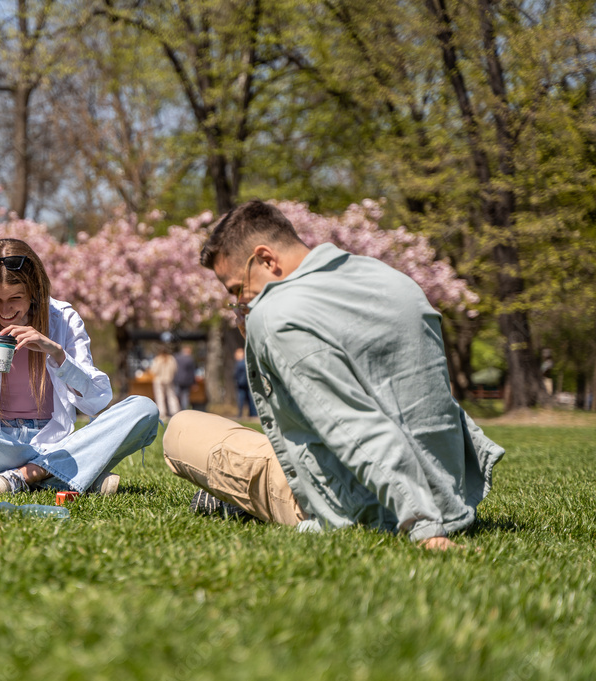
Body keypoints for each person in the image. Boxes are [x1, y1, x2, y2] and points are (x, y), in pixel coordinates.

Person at [163, 200, 505, 550]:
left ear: (267, 260)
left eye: (237, 289)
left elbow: (355, 426)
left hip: (369, 509)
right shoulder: (392, 279)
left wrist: (425, 526)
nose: (239, 302)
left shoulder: (277, 314)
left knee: (182, 428)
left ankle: (237, 499)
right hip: (450, 491)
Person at [0, 238, 159, 495]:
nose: (5, 310)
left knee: (144, 409)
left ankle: (24, 475)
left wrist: (57, 354)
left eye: (16, 298)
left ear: (34, 291)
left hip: (55, 441)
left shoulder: (63, 319)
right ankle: (62, 474)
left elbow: (96, 401)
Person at [150, 343, 180, 419]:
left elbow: (154, 370)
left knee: (160, 397)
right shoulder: (171, 359)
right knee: (171, 396)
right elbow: (175, 369)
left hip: (159, 380)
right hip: (169, 379)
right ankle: (175, 411)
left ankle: (162, 413)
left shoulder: (157, 359)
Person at [232, 347, 255, 418]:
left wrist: (237, 380)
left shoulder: (240, 364)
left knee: (241, 400)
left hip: (242, 384)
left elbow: (235, 374)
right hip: (248, 384)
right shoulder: (247, 362)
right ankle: (252, 414)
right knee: (250, 400)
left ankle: (240, 414)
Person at [174, 344, 197, 411]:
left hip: (177, 379)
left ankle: (177, 410)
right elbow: (192, 372)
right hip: (187, 380)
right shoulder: (190, 359)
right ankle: (184, 410)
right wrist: (194, 382)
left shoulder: (176, 358)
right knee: (185, 396)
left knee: (176, 395)